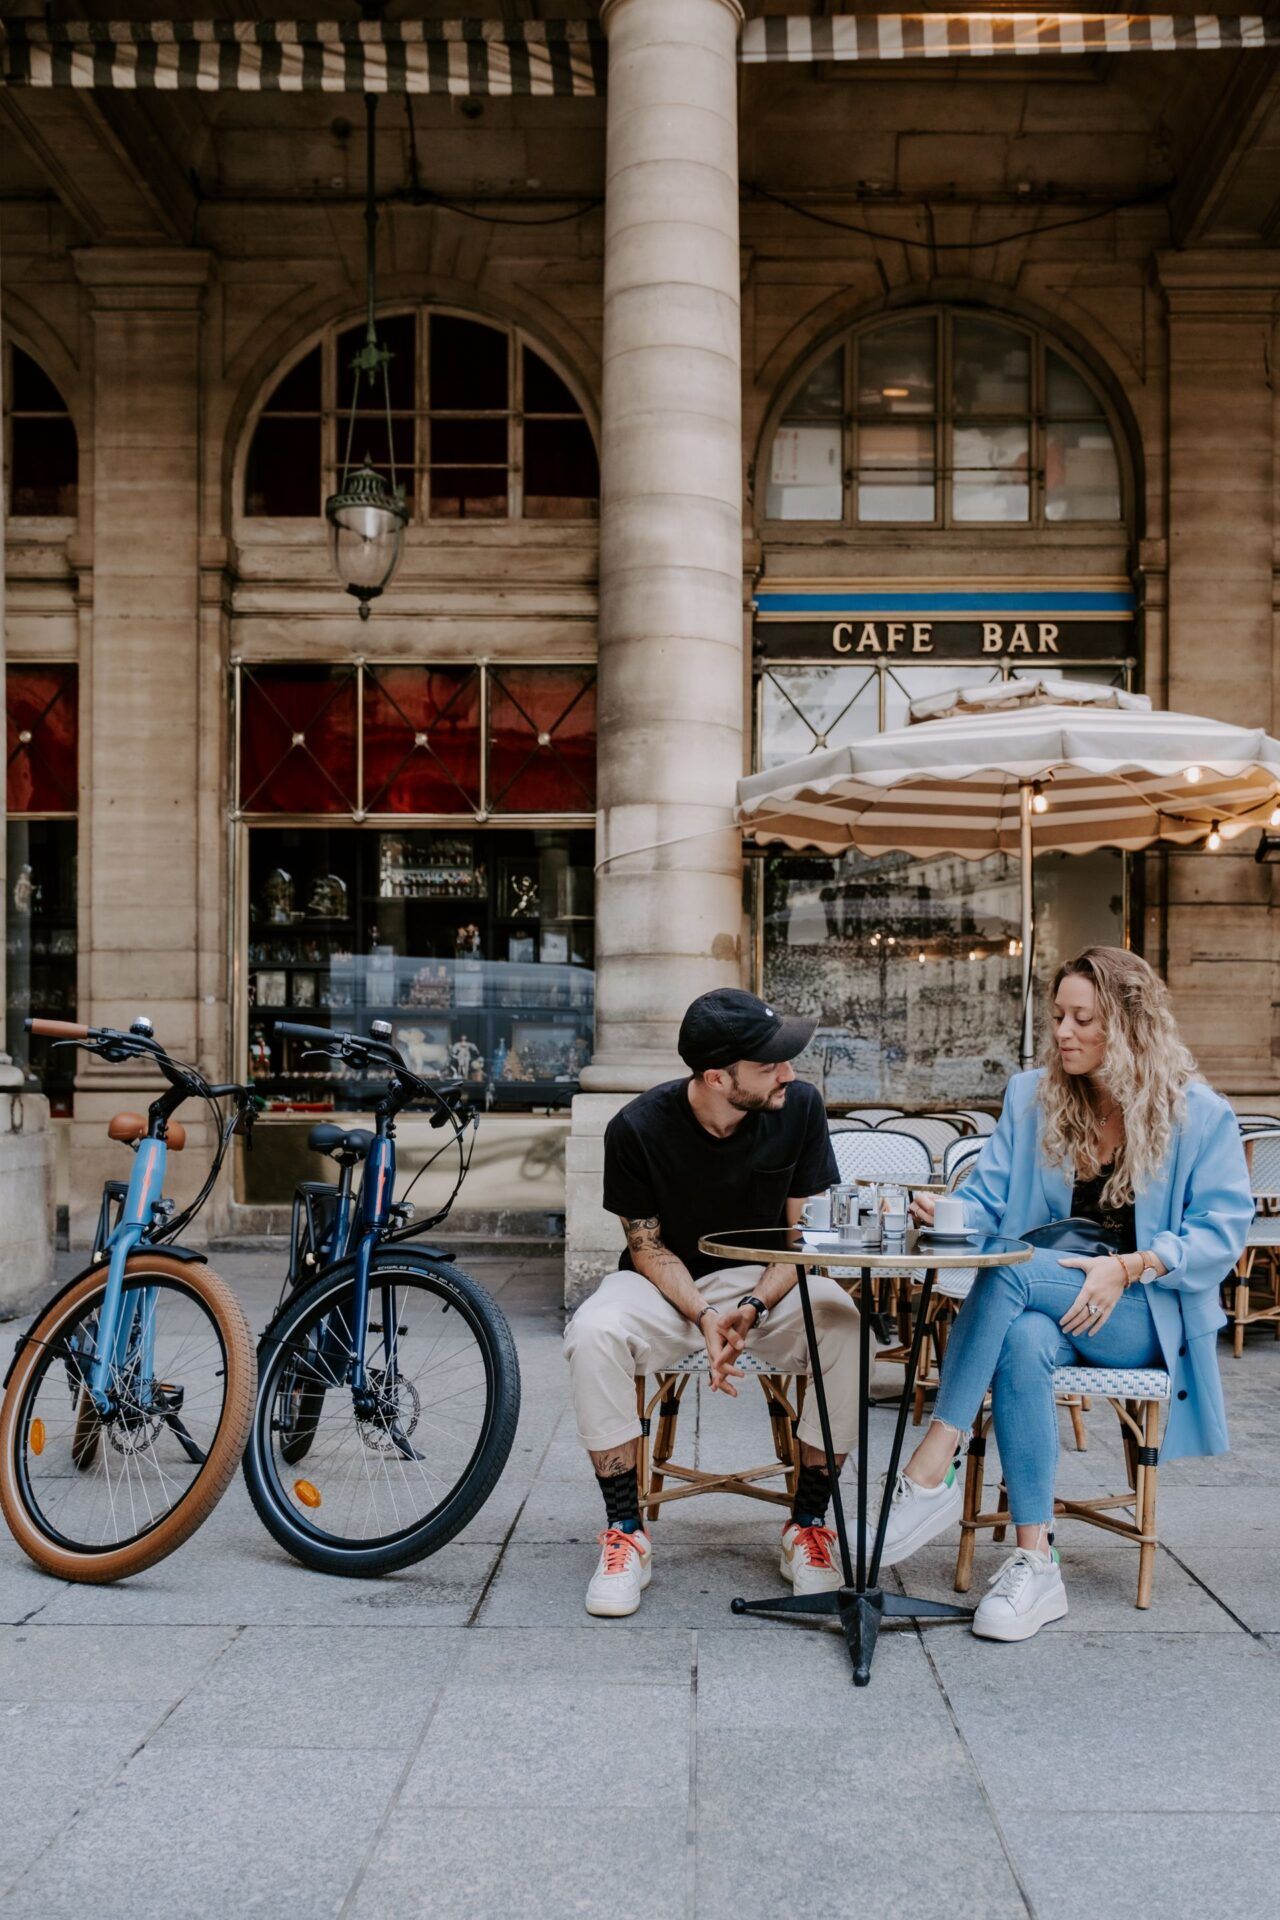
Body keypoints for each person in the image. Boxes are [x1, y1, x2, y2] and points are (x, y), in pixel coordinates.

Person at [879, 945, 1253, 1642]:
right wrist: (952, 1212)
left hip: (1143, 1307)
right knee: (1021, 1338)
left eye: (1085, 1018)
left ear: (1130, 1025)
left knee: (1013, 1270)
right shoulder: (1032, 1095)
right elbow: (990, 1199)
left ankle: (933, 1461)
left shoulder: (1197, 1113)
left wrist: (1131, 1265)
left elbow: (1223, 1231)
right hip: (1049, 1300)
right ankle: (1034, 1561)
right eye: (1057, 1016)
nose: (1063, 1032)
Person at [563, 988, 859, 1617]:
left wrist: (749, 1306)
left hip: (770, 1282)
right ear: (717, 1077)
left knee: (846, 1326)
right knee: (593, 1332)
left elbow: (807, 1239)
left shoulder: (798, 1106)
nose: (789, 1073)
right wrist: (703, 1314)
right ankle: (625, 1533)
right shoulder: (636, 1127)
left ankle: (806, 1525)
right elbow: (645, 1248)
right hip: (666, 1286)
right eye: (771, 1064)